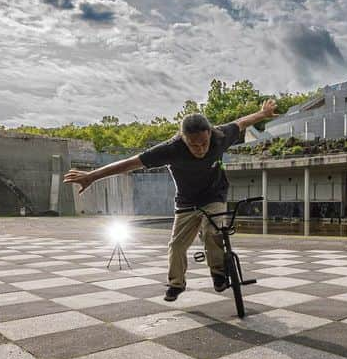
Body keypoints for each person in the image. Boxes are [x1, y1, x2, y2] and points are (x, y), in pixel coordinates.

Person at [64, 100, 278, 301]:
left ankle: (219, 275)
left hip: (215, 196)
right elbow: (129, 164)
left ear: (210, 134)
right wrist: (91, 176)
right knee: (176, 245)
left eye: (204, 143)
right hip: (186, 202)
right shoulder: (170, 149)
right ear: (183, 139)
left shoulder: (220, 136)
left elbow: (242, 122)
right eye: (194, 145)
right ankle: (176, 284)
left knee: (213, 233)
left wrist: (264, 113)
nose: (201, 149)